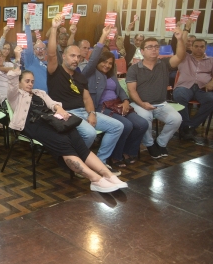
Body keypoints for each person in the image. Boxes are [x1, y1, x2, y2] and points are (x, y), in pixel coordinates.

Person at [7, 69, 126, 193]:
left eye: (32, 81)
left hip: (50, 121)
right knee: (62, 141)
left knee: (74, 135)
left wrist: (59, 108)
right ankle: (95, 179)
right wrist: (15, 66)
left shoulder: (39, 93)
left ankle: (108, 175)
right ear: (19, 83)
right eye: (27, 81)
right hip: (32, 125)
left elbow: (52, 103)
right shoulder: (15, 96)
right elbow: (11, 84)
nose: (30, 84)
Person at [46, 15, 124, 174]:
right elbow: (52, 54)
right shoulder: (55, 71)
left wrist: (92, 113)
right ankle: (78, 165)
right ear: (64, 56)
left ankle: (99, 162)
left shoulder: (79, 75)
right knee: (89, 133)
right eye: (72, 56)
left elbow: (87, 98)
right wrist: (54, 28)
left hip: (83, 112)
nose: (76, 59)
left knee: (117, 126)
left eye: (79, 57)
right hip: (66, 113)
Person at [84, 27, 148, 168]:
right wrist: (103, 37)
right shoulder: (90, 73)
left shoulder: (111, 76)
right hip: (102, 107)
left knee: (142, 124)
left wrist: (125, 101)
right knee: (126, 125)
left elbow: (120, 90)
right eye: (104, 62)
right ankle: (115, 155)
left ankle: (128, 151)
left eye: (110, 63)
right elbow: (93, 58)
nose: (107, 65)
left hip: (118, 104)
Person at [126, 26, 186, 158]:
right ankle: (150, 144)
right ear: (141, 51)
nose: (154, 49)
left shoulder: (164, 64)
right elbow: (132, 90)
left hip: (161, 104)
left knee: (176, 119)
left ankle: (161, 143)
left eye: (156, 47)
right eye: (149, 47)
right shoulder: (134, 69)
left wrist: (180, 39)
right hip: (139, 104)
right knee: (146, 118)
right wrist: (142, 104)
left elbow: (180, 56)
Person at [173, 39, 213, 140]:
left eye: (202, 46)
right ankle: (188, 127)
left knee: (211, 100)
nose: (199, 48)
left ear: (205, 48)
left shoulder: (211, 61)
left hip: (202, 88)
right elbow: (178, 44)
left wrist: (211, 83)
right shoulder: (184, 57)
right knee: (179, 96)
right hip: (185, 86)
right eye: (196, 46)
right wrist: (184, 30)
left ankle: (189, 127)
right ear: (191, 47)